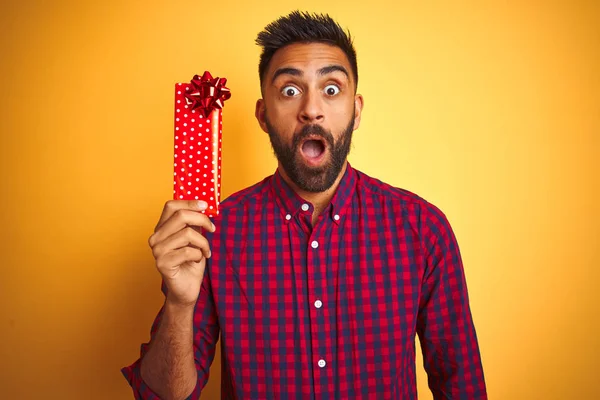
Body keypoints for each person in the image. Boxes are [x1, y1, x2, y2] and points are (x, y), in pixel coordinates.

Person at [122, 10, 487, 400]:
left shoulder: (422, 229)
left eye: (331, 89)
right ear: (263, 115)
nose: (312, 109)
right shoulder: (213, 233)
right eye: (290, 90)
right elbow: (167, 395)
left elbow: (461, 386)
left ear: (357, 110)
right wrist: (179, 303)